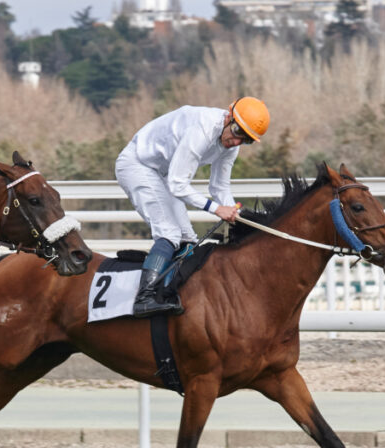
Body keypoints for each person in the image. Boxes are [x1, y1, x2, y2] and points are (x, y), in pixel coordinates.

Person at [115, 96, 270, 317]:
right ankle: (145, 298)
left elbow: (219, 187)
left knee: (187, 238)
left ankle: (170, 292)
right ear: (228, 117)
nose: (236, 142)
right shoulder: (204, 128)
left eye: (246, 140)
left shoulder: (231, 146)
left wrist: (234, 212)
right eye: (237, 131)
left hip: (163, 174)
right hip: (137, 165)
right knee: (169, 233)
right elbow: (178, 185)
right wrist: (217, 209)